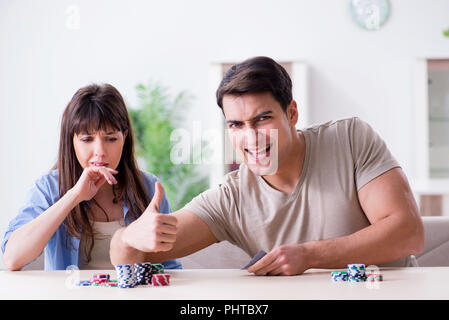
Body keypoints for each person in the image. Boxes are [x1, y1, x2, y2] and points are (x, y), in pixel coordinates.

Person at [110, 56, 424, 276]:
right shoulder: (230, 198)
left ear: (292, 113)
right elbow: (129, 258)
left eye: (262, 119)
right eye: (235, 124)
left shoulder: (350, 139)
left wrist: (310, 255)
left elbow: (408, 234)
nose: (250, 137)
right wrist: (127, 238)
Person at [1, 83, 181, 271]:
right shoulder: (48, 187)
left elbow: (170, 267)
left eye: (111, 139)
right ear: (72, 140)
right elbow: (13, 258)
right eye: (87, 139)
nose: (100, 152)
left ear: (124, 137)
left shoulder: (150, 187)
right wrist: (74, 196)